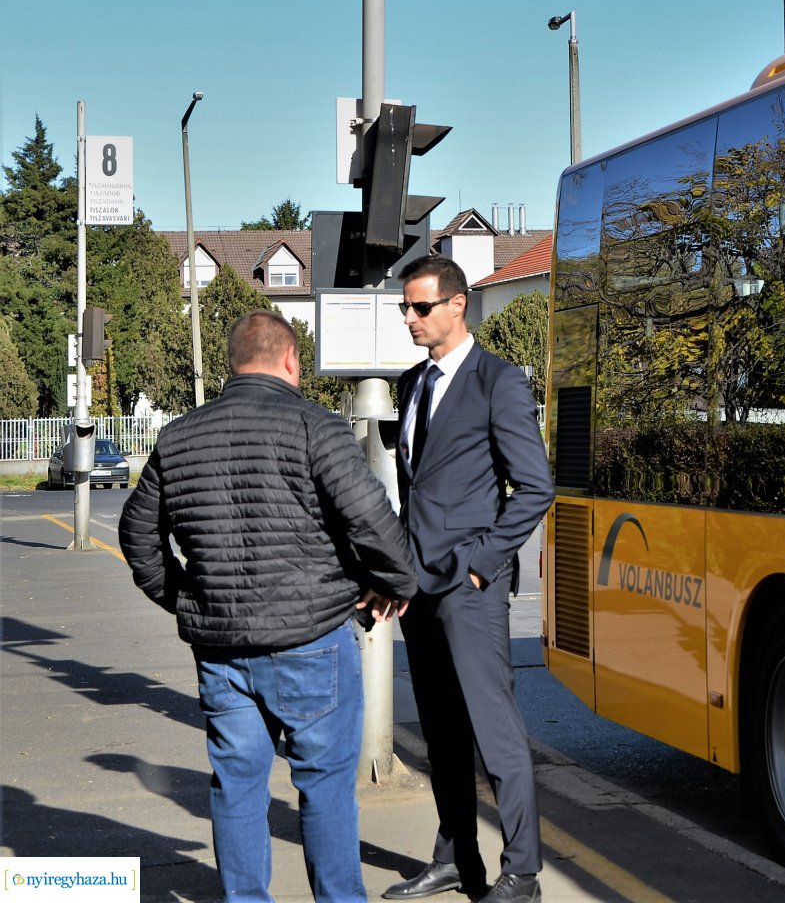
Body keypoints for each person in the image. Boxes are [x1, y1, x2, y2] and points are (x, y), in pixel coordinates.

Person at [120, 311, 415, 903]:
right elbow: (373, 520)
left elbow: (137, 534)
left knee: (236, 785)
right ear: (290, 361)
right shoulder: (316, 427)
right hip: (312, 640)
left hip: (222, 649)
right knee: (325, 788)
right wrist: (396, 582)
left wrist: (186, 599)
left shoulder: (178, 436)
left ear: (233, 363)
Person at [384, 255, 555, 903]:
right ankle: (457, 858)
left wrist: (484, 563)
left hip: (470, 589)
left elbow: (534, 487)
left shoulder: (497, 381)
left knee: (495, 734)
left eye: (420, 307)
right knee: (442, 733)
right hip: (419, 588)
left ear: (457, 305)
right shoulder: (411, 383)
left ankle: (523, 874)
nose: (410, 317)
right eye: (405, 307)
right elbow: (415, 491)